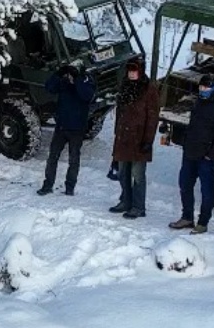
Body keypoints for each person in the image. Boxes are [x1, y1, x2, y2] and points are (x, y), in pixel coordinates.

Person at [171, 71, 214, 233]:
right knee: (185, 184)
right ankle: (187, 217)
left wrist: (212, 154)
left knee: (206, 191)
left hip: (207, 157)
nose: (203, 90)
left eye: (206, 87)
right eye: (201, 87)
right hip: (191, 152)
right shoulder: (199, 101)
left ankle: (203, 223)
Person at [37, 60, 97, 196]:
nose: (69, 76)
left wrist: (77, 80)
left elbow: (86, 95)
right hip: (61, 126)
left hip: (77, 128)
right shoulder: (63, 82)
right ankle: (48, 185)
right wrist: (58, 74)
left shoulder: (87, 80)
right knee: (52, 157)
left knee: (74, 159)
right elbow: (49, 87)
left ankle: (70, 187)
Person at [109, 55, 158, 218]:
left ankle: (138, 206)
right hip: (123, 137)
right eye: (129, 70)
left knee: (138, 175)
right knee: (123, 173)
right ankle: (126, 201)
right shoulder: (124, 86)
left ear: (140, 71)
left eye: (134, 70)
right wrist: (117, 133)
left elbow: (152, 117)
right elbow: (120, 112)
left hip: (139, 138)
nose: (131, 74)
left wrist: (148, 140)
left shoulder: (148, 88)